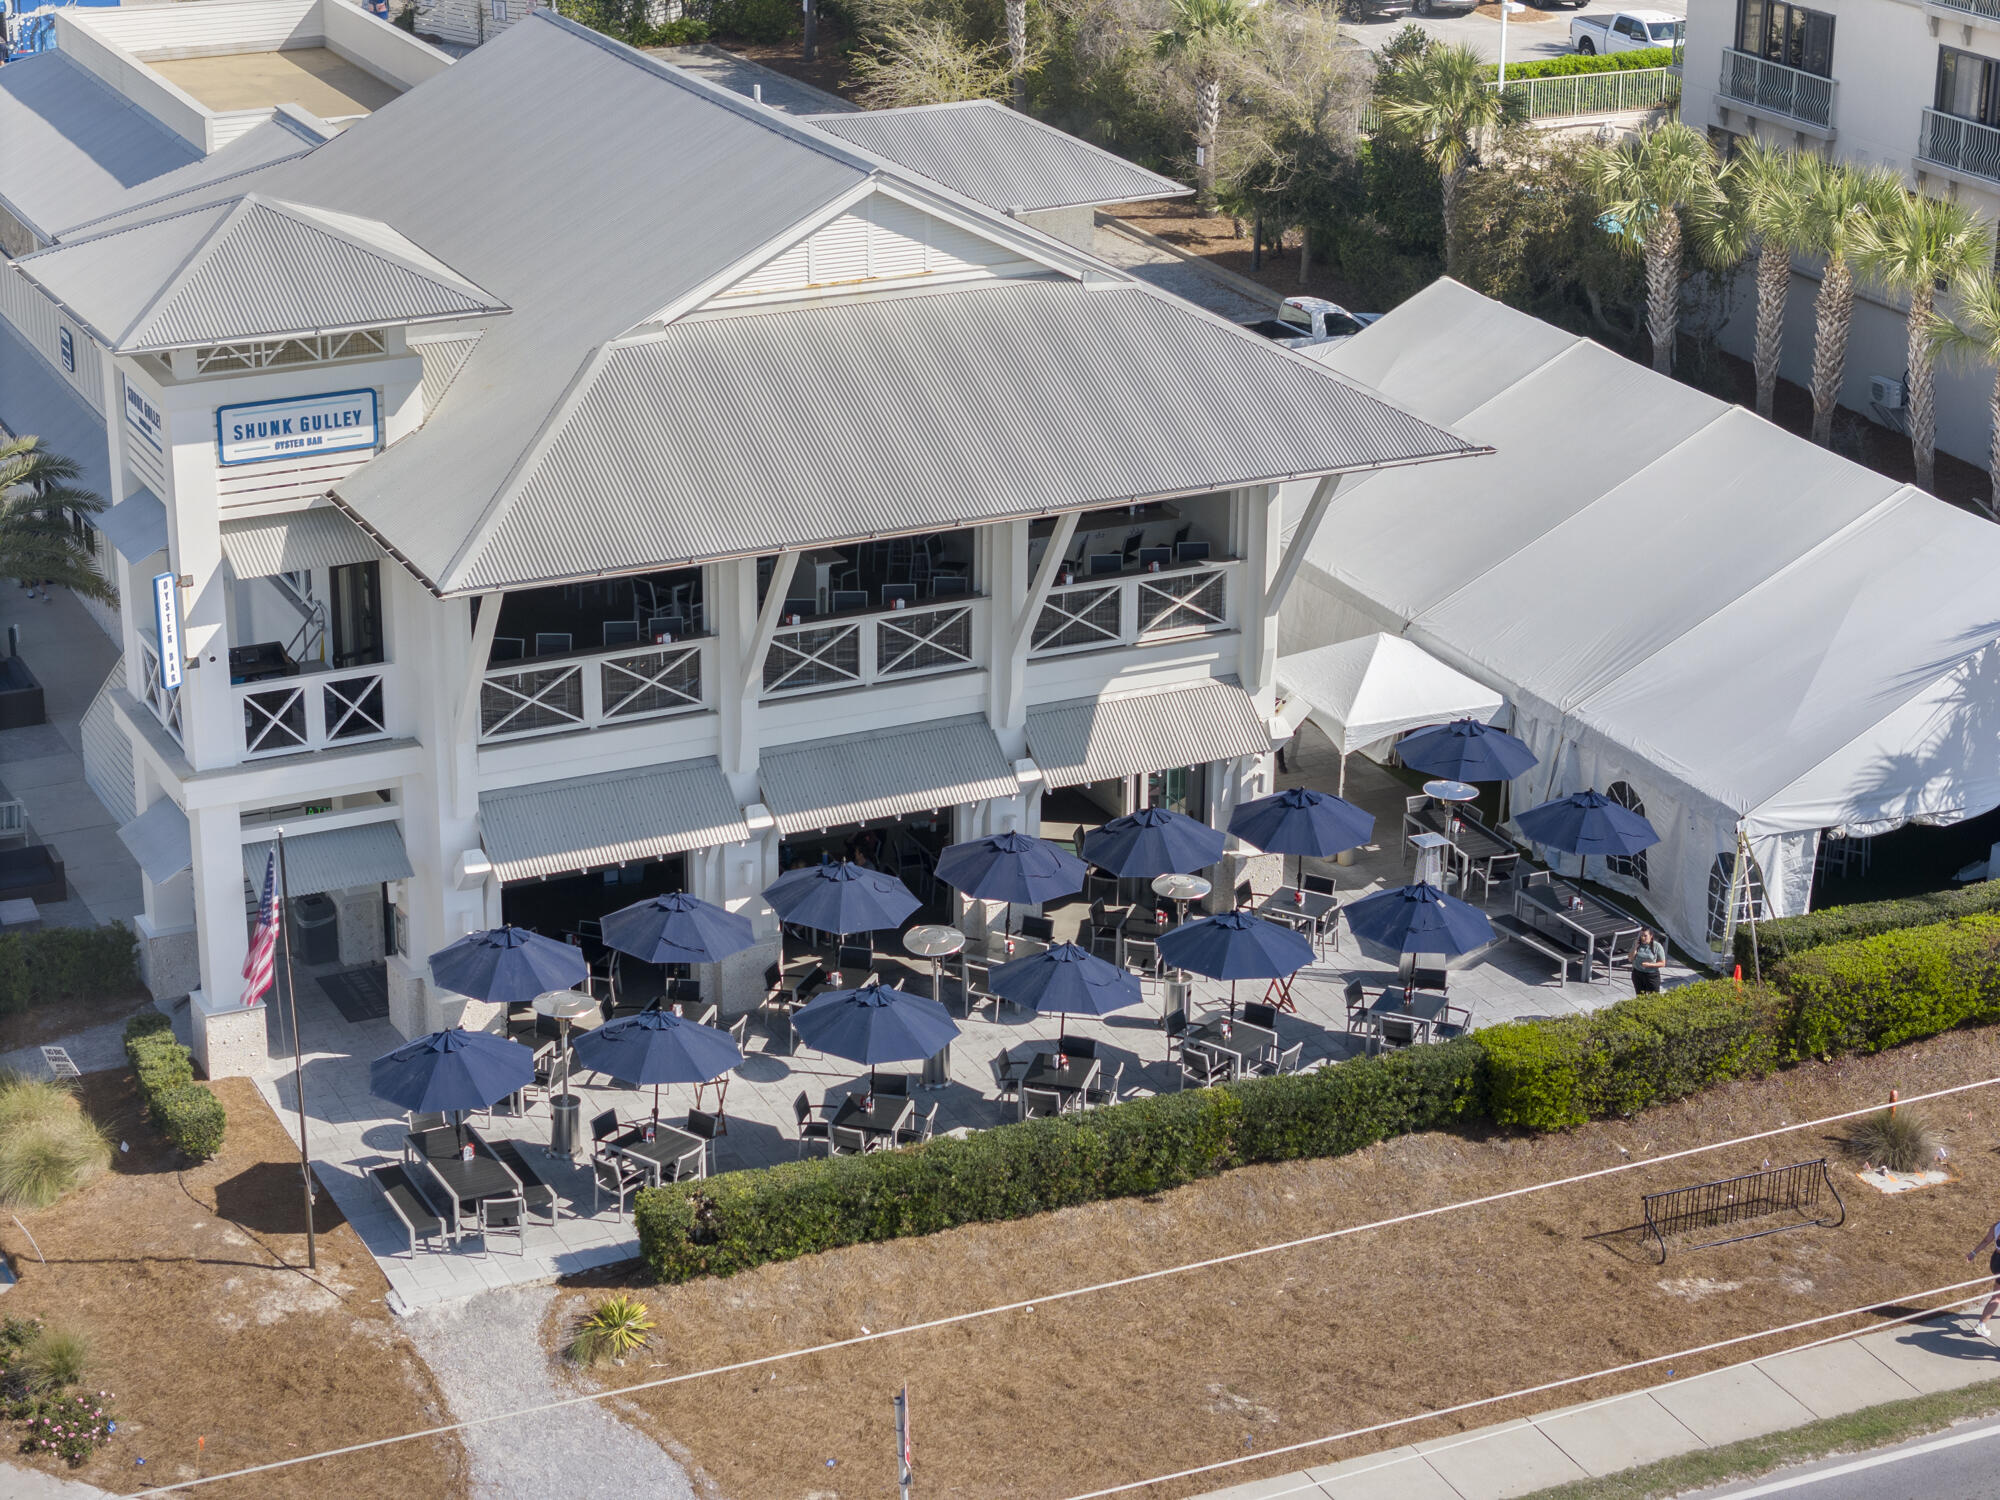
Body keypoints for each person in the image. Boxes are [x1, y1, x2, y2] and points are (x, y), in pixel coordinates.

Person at [1968, 1222, 2000, 1340]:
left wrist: (1973, 1253)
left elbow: (1986, 1240)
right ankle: (1981, 1325)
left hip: (1996, 1260)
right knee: (1996, 1298)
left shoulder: (1997, 1225)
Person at [1631, 927, 1666, 993]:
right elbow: (1630, 959)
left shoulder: (1657, 946)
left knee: (1653, 996)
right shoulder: (1637, 943)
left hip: (1651, 975)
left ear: (1651, 936)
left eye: (1645, 936)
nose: (1643, 938)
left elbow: (1662, 963)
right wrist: (1635, 948)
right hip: (1637, 974)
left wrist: (1649, 965)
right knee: (1640, 995)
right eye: (1641, 935)